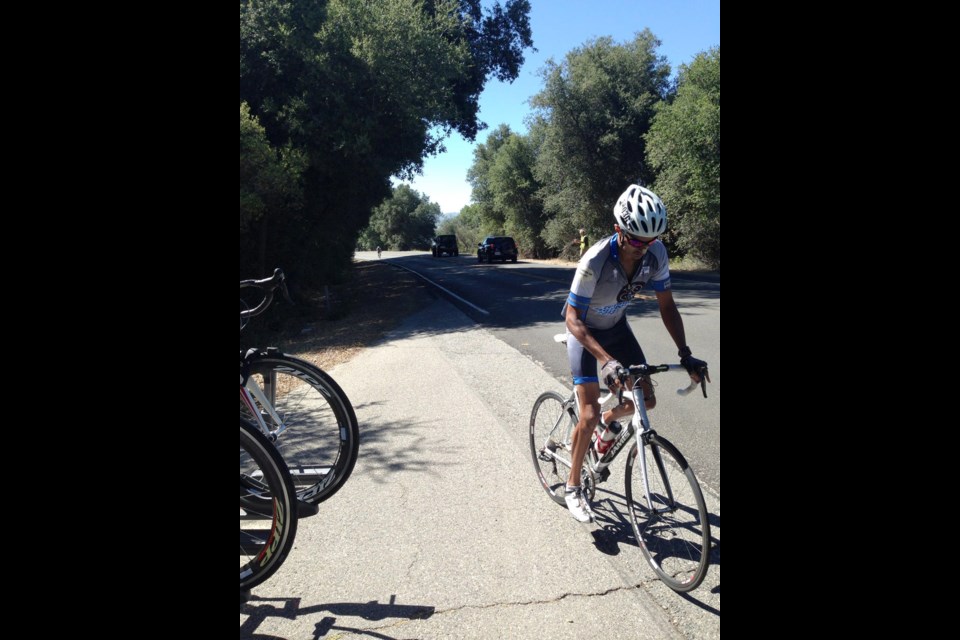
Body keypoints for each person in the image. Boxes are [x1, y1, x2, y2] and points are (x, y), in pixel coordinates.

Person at [561, 184, 709, 522]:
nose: (645, 248)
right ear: (619, 230)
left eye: (653, 240)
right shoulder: (595, 260)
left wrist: (685, 354)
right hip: (584, 334)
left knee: (646, 400)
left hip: (616, 329)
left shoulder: (655, 254)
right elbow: (572, 318)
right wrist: (605, 360)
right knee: (587, 415)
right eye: (638, 240)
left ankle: (609, 424)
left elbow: (667, 306)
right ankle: (572, 486)